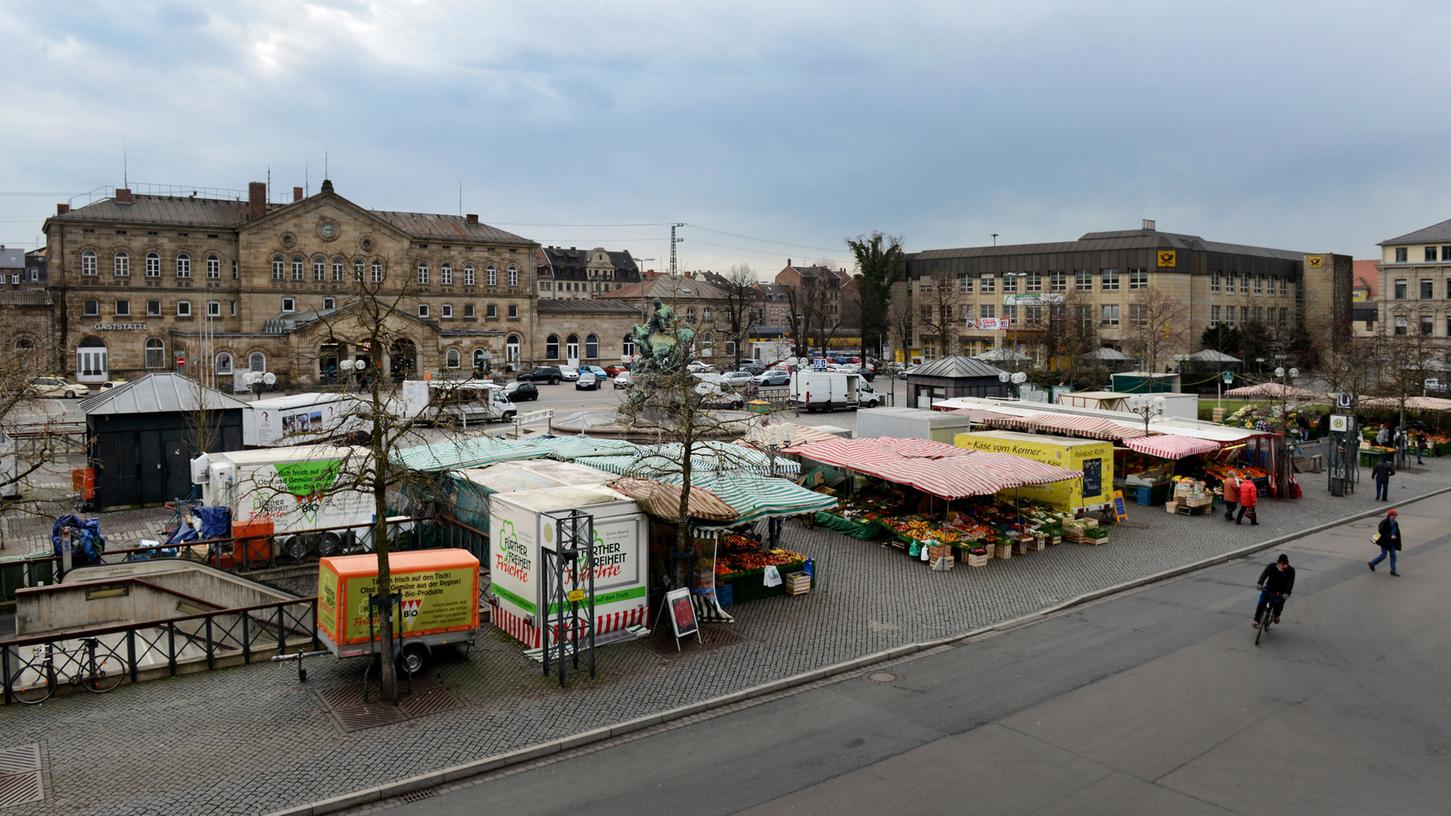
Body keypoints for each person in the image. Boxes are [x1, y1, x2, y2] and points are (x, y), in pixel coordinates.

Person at [1253, 554, 1295, 629]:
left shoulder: (1291, 571)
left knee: (1278, 604)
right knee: (1261, 603)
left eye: (1284, 564)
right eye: (1280, 563)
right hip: (1269, 589)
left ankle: (1276, 616)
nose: (1282, 566)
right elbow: (1264, 575)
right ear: (1277, 563)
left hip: (1281, 592)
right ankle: (1256, 621)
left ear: (1287, 564)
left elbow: (1290, 583)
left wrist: (1287, 593)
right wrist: (1260, 583)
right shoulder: (1272, 566)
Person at [1368, 508, 1402, 576]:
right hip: (1385, 542)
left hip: (1392, 542)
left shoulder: (1395, 523)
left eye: (1395, 515)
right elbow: (1381, 532)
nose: (1395, 517)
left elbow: (1397, 532)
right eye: (1393, 515)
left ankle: (1393, 570)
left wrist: (1396, 538)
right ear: (1390, 515)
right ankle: (1372, 563)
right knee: (1383, 555)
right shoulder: (1384, 522)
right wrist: (1390, 536)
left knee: (1393, 556)